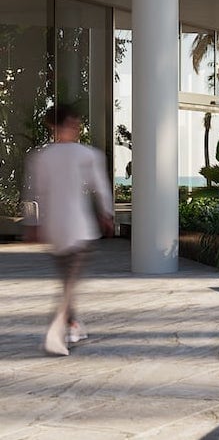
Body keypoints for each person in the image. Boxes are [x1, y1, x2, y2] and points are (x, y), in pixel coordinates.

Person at [23, 103, 114, 356]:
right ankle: (57, 331)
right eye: (74, 122)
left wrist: (33, 225)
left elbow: (34, 195)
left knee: (67, 282)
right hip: (80, 230)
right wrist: (107, 214)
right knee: (69, 285)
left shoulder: (41, 157)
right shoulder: (89, 155)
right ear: (70, 124)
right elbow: (101, 187)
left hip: (56, 230)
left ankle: (73, 325)